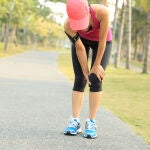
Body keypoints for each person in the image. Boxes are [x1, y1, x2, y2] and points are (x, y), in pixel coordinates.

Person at [63, 0, 112, 139]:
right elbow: (79, 47)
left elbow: (102, 42)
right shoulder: (68, 26)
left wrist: (96, 66)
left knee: (95, 78)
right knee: (80, 78)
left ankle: (91, 122)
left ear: (88, 12)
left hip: (102, 42)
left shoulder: (102, 13)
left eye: (82, 22)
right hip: (81, 42)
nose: (82, 28)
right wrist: (85, 71)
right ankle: (75, 121)